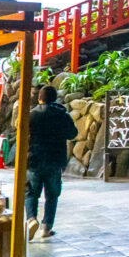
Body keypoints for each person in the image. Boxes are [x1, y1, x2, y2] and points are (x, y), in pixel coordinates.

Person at [25, 85, 77, 240]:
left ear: (40, 98)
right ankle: (46, 228)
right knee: (52, 195)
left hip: (34, 159)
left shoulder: (32, 115)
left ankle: (31, 219)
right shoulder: (62, 115)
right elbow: (73, 133)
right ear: (55, 99)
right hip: (55, 160)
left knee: (31, 193)